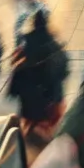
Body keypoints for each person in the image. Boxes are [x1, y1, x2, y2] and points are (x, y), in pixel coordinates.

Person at [9, 10, 71, 150]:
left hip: (29, 92)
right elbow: (62, 70)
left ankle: (26, 136)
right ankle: (48, 140)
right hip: (48, 94)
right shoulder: (54, 45)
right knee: (48, 120)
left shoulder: (26, 42)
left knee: (29, 118)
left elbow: (16, 66)